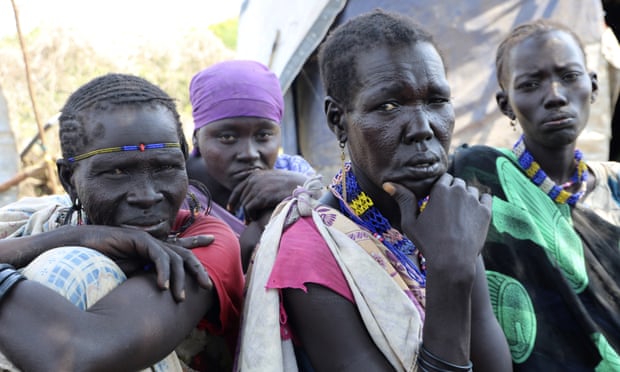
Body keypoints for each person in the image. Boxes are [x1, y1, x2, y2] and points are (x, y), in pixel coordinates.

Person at [236, 9, 512, 372]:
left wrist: (455, 260)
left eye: (436, 101)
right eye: (388, 106)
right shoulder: (311, 250)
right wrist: (448, 272)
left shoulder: (448, 217)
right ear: (338, 120)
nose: (422, 128)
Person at [0, 73, 244, 371]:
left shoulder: (205, 241)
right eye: (116, 173)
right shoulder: (46, 220)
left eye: (166, 167)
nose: (147, 196)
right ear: (69, 180)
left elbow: (73, 356)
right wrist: (69, 238)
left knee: (71, 267)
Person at [450, 19, 620, 370]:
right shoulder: (478, 176)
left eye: (570, 76)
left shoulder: (615, 185)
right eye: (530, 84)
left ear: (593, 86)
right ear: (506, 104)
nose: (555, 96)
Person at [184, 60, 316, 271]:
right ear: (197, 139)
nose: (249, 154)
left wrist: (306, 190)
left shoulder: (293, 172)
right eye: (227, 137)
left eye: (263, 135)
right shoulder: (178, 191)